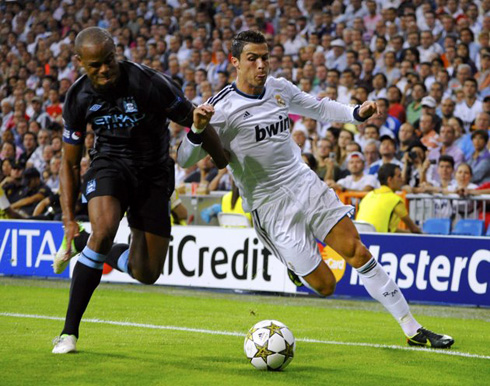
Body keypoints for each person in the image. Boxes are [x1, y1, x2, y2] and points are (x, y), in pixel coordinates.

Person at [177, 31, 453, 349]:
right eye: (252, 58)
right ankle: (295, 268)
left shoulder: (279, 89)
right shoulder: (221, 108)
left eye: (265, 57)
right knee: (325, 286)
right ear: (235, 62)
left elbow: (319, 109)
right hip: (268, 204)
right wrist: (197, 128)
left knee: (358, 251)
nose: (261, 65)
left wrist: (354, 114)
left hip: (304, 182)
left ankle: (412, 328)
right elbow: (184, 158)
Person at [51, 27, 228, 354]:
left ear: (116, 52)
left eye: (109, 61)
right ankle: (68, 333)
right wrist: (67, 218)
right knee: (103, 231)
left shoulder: (149, 83)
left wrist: (222, 160)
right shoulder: (77, 98)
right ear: (80, 63)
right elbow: (69, 163)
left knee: (146, 273)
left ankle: (81, 245)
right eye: (95, 65)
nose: (104, 69)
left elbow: (195, 120)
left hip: (154, 172)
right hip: (110, 165)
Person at [357, 164, 422, 234]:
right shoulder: (395, 200)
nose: (402, 179)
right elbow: (414, 229)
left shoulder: (368, 195)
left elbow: (388, 230)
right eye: (399, 176)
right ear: (390, 180)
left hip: (361, 237)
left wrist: (407, 232)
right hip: (380, 241)